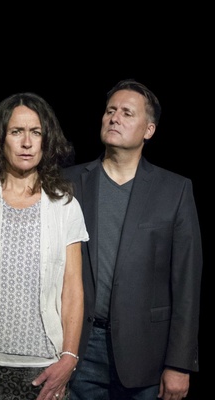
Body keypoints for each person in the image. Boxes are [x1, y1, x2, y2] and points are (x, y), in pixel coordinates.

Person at [63, 79, 203, 400]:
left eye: (127, 113)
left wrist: (179, 363)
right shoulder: (68, 183)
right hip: (79, 348)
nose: (114, 118)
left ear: (148, 130)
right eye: (110, 110)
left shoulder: (175, 190)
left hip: (146, 353)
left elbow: (187, 284)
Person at [0, 92, 89, 400]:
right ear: (0, 139)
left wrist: (69, 358)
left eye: (36, 132)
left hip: (46, 368)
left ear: (46, 140)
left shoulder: (65, 206)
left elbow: (73, 289)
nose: (26, 143)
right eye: (16, 132)